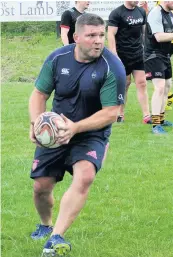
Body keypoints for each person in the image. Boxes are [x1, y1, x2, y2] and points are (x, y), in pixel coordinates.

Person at [29, 13, 126, 257]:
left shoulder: (112, 66)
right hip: (56, 131)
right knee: (41, 187)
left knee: (84, 177)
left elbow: (111, 113)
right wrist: (36, 124)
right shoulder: (57, 58)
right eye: (91, 35)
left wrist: (75, 128)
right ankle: (45, 224)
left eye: (101, 35)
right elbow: (39, 95)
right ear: (76, 37)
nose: (98, 41)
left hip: (91, 133)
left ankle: (56, 237)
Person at [144, 1, 173, 134]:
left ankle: (162, 120)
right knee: (159, 87)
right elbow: (159, 37)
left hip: (165, 54)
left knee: (167, 86)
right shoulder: (155, 13)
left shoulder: (171, 15)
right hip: (153, 55)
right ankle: (156, 126)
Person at [108, 1, 151, 124]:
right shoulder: (117, 13)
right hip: (122, 55)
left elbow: (143, 32)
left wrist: (145, 49)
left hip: (138, 54)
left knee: (142, 83)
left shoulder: (141, 11)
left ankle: (146, 115)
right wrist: (114, 54)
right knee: (125, 84)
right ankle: (120, 113)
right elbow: (111, 34)